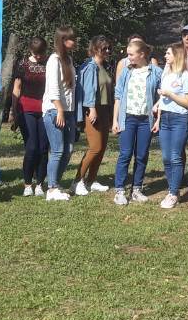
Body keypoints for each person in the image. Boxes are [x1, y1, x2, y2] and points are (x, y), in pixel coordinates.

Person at [112, 39, 162, 205]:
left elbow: (162, 95)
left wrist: (157, 116)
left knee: (141, 155)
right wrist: (115, 120)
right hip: (128, 118)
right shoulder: (126, 72)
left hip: (145, 120)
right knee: (125, 154)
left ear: (141, 54)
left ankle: (137, 189)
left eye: (131, 54)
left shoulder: (156, 72)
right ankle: (120, 190)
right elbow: (118, 96)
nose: (129, 57)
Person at [73, 36, 115, 196]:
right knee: (95, 147)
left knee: (102, 148)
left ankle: (91, 180)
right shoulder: (89, 67)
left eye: (109, 48)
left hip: (105, 109)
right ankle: (77, 181)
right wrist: (91, 109)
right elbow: (87, 90)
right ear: (95, 49)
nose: (108, 51)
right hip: (93, 109)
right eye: (104, 48)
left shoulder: (103, 66)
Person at [155, 43, 188, 209]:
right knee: (166, 157)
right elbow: (163, 97)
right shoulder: (167, 74)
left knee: (175, 156)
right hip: (165, 118)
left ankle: (173, 192)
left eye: (168, 53)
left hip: (180, 119)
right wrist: (158, 107)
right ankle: (173, 189)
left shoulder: (186, 77)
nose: (165, 56)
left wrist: (170, 95)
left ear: (177, 56)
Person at [42, 26, 79, 201]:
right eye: (71, 39)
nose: (75, 41)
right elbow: (53, 89)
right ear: (63, 41)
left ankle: (55, 182)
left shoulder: (68, 60)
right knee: (57, 150)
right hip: (55, 111)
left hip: (68, 111)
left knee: (68, 149)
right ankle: (51, 188)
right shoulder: (53, 60)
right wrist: (59, 110)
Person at [12, 37, 49, 197]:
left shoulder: (49, 64)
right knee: (32, 147)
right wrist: (14, 111)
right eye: (36, 54)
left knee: (43, 148)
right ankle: (28, 184)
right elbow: (17, 88)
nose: (39, 57)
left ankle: (40, 183)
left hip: (45, 109)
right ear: (30, 51)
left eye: (41, 53)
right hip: (26, 109)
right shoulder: (22, 64)